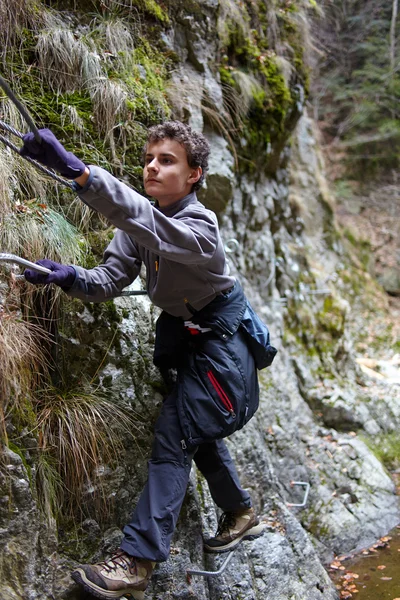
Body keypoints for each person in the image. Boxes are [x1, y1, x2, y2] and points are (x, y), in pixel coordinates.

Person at [21, 121, 276, 600]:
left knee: (176, 431)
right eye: (149, 159)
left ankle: (137, 561)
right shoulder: (141, 226)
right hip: (190, 339)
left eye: (167, 160)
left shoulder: (201, 228)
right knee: (191, 428)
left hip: (221, 344)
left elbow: (154, 229)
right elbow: (110, 278)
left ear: (195, 174)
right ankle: (240, 512)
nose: (152, 167)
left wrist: (81, 174)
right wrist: (67, 276)